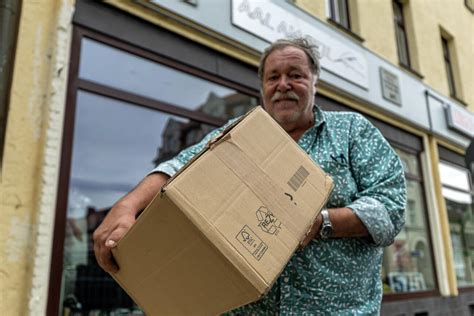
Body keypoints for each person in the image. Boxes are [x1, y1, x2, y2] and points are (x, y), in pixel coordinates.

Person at [93, 37, 406, 315]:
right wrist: (126, 207)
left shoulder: (352, 132)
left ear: (314, 82)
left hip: (338, 309)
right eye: (273, 77)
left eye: (295, 75)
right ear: (263, 87)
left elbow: (390, 208)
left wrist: (322, 221)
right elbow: (181, 167)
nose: (283, 84)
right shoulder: (239, 132)